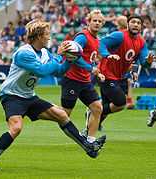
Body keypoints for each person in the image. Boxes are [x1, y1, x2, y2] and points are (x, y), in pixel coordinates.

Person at [0, 20, 106, 171]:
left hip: (29, 96)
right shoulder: (24, 53)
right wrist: (60, 56)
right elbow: (42, 71)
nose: (49, 37)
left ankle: (89, 148)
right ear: (39, 36)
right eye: (47, 34)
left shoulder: (45, 52)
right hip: (12, 96)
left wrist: (69, 59)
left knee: (61, 115)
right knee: (16, 128)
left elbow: (59, 71)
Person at [95, 15, 154, 129]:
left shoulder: (141, 43)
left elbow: (142, 62)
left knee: (107, 106)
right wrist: (107, 55)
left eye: (138, 23)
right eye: (133, 22)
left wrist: (148, 62)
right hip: (105, 74)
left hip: (120, 76)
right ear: (128, 24)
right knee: (120, 102)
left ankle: (92, 127)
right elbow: (101, 43)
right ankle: (93, 112)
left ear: (141, 27)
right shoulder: (119, 35)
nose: (135, 24)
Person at [61, 9, 105, 143]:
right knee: (63, 115)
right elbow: (72, 55)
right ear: (88, 22)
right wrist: (90, 69)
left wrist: (99, 72)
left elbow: (89, 59)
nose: (97, 23)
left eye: (99, 21)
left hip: (85, 81)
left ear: (102, 24)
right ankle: (45, 109)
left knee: (98, 108)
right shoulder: (82, 37)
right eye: (94, 20)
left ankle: (90, 141)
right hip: (72, 79)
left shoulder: (97, 40)